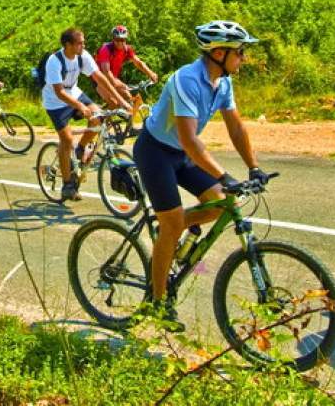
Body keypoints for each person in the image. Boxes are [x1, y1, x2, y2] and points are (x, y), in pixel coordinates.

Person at [132, 21, 269, 323]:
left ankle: (175, 227)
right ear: (219, 52)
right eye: (240, 52)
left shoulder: (223, 82)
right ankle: (157, 302)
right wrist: (224, 174)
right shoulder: (186, 80)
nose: (243, 57)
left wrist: (253, 167)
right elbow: (189, 139)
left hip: (181, 155)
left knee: (221, 203)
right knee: (172, 224)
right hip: (155, 152)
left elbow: (235, 127)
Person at [41, 27, 131, 201]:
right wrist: (81, 107)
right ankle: (67, 185)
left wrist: (121, 100)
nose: (84, 45)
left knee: (98, 117)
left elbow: (100, 77)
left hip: (73, 92)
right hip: (55, 101)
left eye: (83, 42)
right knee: (66, 140)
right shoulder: (55, 61)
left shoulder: (83, 56)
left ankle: (81, 147)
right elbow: (59, 92)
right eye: (80, 43)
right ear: (68, 45)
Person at [94, 25, 159, 134]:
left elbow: (138, 62)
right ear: (113, 39)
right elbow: (106, 72)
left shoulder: (127, 49)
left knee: (129, 97)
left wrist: (150, 73)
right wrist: (117, 83)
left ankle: (131, 128)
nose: (120, 43)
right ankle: (102, 124)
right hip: (99, 78)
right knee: (114, 102)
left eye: (123, 40)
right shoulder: (106, 49)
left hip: (113, 78)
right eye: (117, 40)